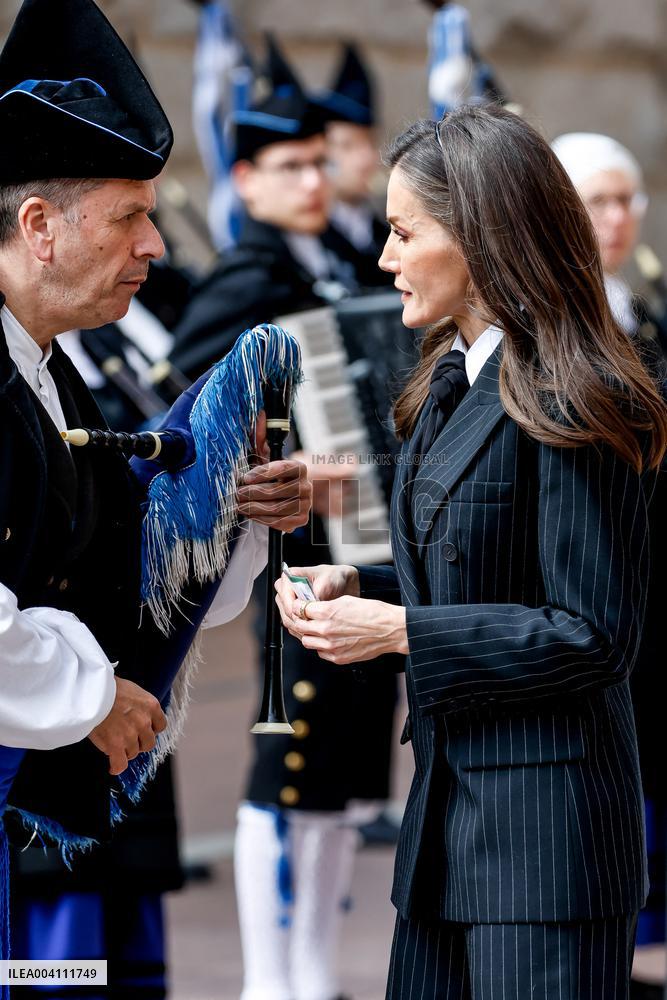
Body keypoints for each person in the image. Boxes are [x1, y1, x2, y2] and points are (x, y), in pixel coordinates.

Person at [276, 104, 667, 999]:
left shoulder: (578, 394)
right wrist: (359, 584)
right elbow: (475, 569)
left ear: (482, 236)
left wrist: (400, 629)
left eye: (403, 232)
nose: (383, 258)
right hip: (447, 827)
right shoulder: (448, 378)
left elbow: (592, 632)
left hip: (546, 845)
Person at [0, 0, 311, 973]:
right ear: (40, 226)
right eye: (131, 215)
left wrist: (235, 507)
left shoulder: (54, 371)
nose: (157, 246)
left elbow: (117, 568)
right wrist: (90, 695)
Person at [170, 37, 399, 1000]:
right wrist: (300, 464)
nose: (316, 179)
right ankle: (275, 984)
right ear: (248, 180)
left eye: (321, 161)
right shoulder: (251, 272)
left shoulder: (339, 253)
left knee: (342, 786)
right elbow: (189, 398)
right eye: (291, 166)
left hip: (356, 548)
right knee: (288, 767)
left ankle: (310, 973)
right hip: (297, 548)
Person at [553, 131, 667, 999]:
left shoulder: (642, 311)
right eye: (596, 200)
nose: (617, 218)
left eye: (626, 199)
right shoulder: (555, 330)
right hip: (591, 598)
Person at [317, 43, 393, 289]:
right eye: (348, 146)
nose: (365, 159)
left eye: (370, 143)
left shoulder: (385, 235)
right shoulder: (312, 239)